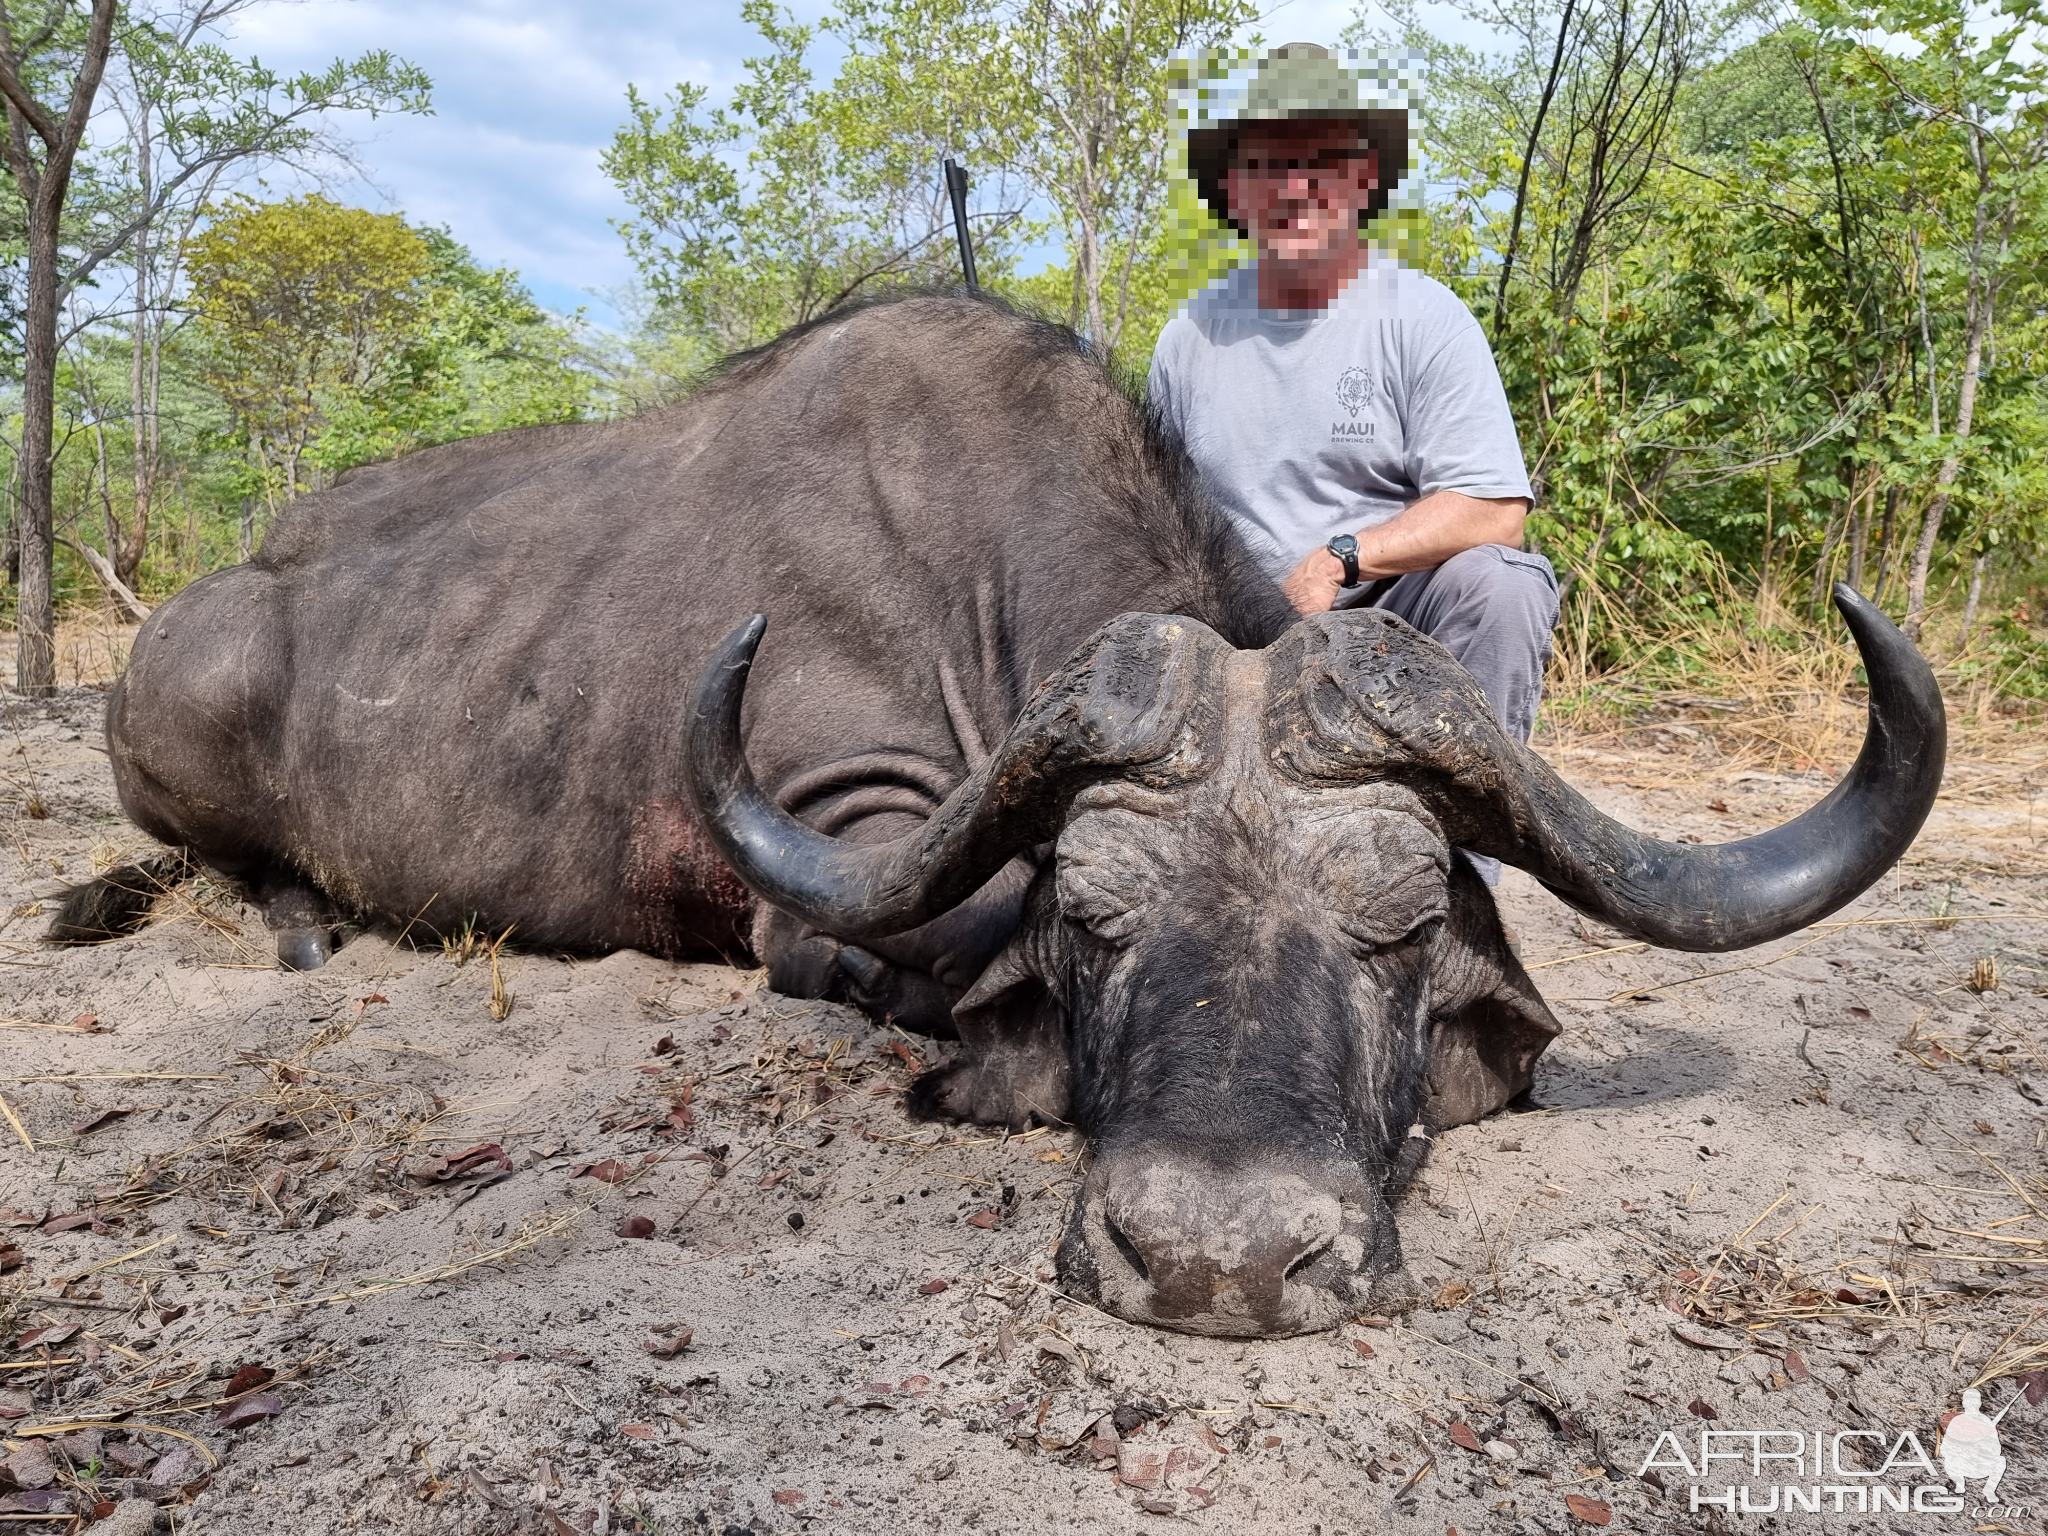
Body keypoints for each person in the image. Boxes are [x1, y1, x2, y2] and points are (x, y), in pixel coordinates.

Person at [1150, 44, 1559, 882]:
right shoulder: (1189, 336)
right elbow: (1146, 520)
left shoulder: (1423, 318)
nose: (1295, 189)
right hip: (1226, 644)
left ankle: (1460, 878)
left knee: (1505, 583)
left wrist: (1343, 557)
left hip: (1382, 631)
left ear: (1364, 179)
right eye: (1269, 166)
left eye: (1320, 162)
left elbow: (1495, 510)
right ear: (1233, 189)